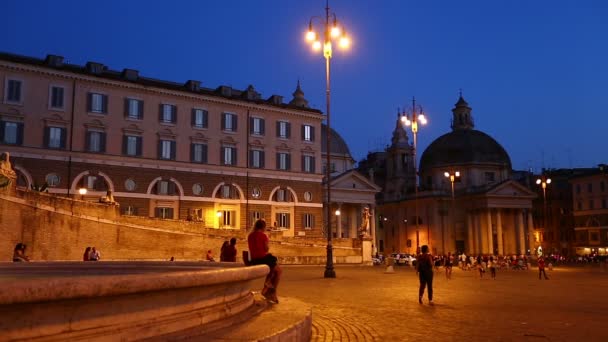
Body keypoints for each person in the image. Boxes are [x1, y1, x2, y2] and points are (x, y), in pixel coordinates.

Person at [248, 219, 282, 304]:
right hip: (262, 258)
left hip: (254, 259)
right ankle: (270, 290)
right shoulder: (263, 236)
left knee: (274, 268)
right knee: (279, 270)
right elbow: (266, 249)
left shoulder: (250, 235)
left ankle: (267, 289)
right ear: (263, 227)